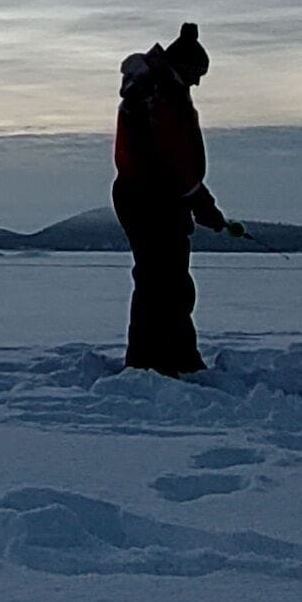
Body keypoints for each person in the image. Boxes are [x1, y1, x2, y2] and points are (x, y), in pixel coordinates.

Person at [113, 23, 225, 376]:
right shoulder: (159, 93)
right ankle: (150, 362)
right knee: (159, 282)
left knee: (167, 280)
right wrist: (202, 203)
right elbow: (173, 155)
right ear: (183, 68)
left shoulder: (159, 89)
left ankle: (174, 355)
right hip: (150, 199)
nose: (198, 84)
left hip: (158, 198)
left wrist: (196, 201)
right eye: (196, 75)